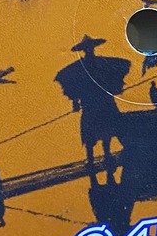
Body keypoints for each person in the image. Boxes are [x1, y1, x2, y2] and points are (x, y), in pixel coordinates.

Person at [55, 36, 130, 183]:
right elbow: (72, 85)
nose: (89, 50)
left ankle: (106, 155)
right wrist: (75, 101)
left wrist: (115, 88)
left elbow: (116, 73)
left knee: (106, 131)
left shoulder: (103, 63)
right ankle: (90, 160)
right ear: (84, 50)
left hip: (104, 102)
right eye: (86, 49)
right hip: (90, 105)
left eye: (90, 48)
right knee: (90, 134)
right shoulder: (79, 68)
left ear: (93, 48)